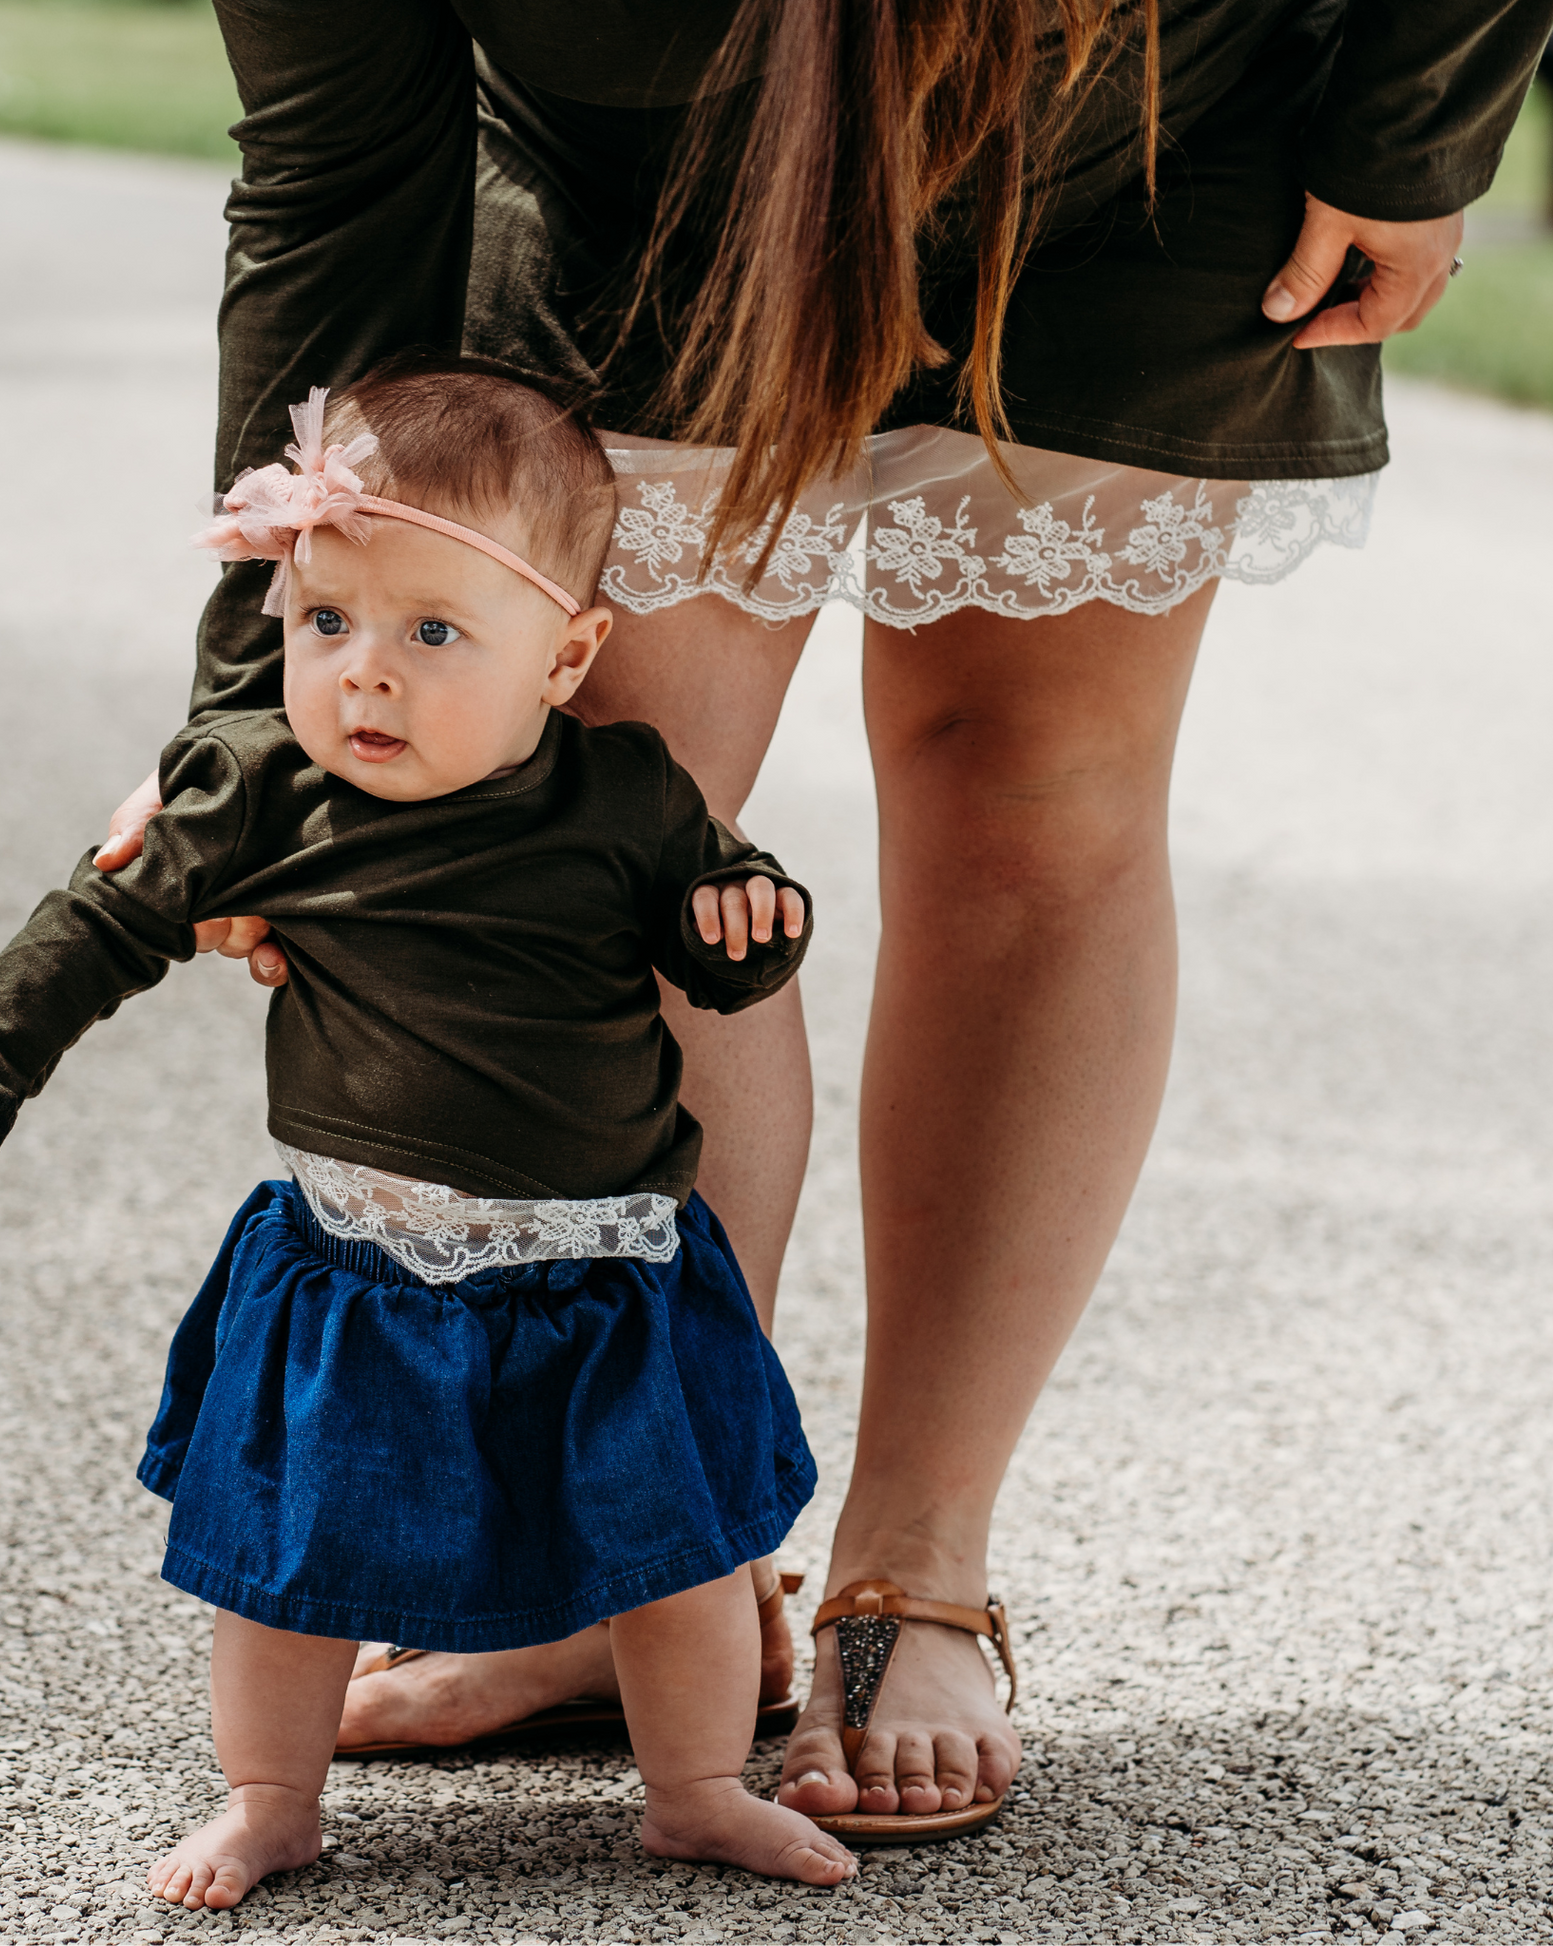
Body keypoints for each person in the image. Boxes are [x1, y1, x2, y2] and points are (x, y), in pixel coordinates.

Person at [92, 0, 1553, 1841]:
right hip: (650, 170)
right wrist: (246, 718)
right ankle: (635, 1562)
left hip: (1147, 131)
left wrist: (1414, 122)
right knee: (597, 828)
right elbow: (337, 166)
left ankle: (915, 1562)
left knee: (1027, 805)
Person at [0, 362, 858, 1904]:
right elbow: (96, 920)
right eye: (325, 622)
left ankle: (696, 1787)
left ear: (565, 653)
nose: (363, 676)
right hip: (357, 1267)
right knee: (290, 1558)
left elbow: (722, 946)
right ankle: (271, 1796)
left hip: (603, 1274)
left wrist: (750, 920)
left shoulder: (625, 795)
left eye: (431, 632)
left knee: (675, 1556)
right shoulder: (261, 787)